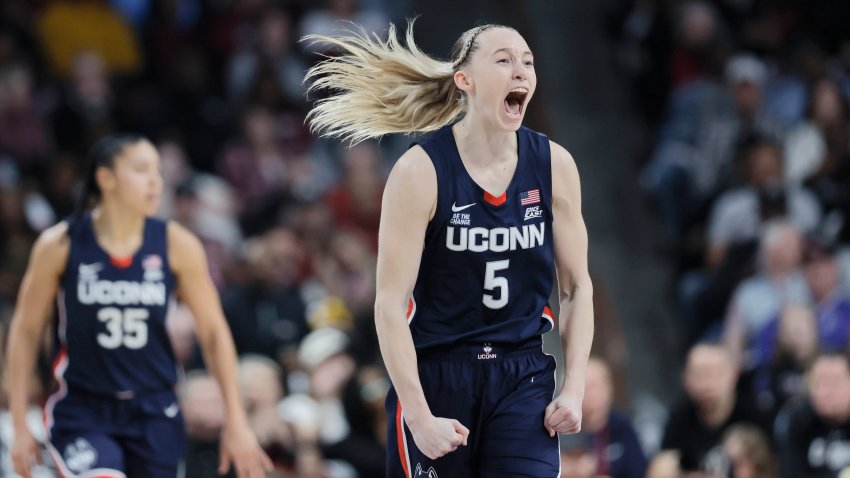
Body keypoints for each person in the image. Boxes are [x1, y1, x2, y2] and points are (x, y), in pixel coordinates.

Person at [304, 21, 594, 477]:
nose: (521, 71)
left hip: (521, 373)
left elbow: (577, 288)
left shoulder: (555, 165)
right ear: (465, 79)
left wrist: (574, 388)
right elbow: (389, 305)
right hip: (437, 372)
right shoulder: (420, 171)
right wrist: (418, 418)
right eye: (503, 60)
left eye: (528, 62)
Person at [5, 134, 272, 478]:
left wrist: (237, 422)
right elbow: (26, 331)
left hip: (154, 409)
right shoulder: (60, 244)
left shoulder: (177, 244)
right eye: (142, 170)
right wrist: (19, 422)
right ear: (106, 178)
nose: (155, 182)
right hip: (84, 409)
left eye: (158, 172)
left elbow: (213, 333)